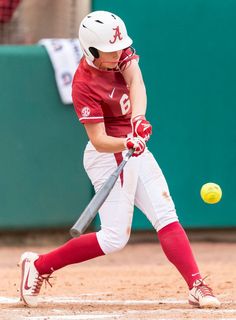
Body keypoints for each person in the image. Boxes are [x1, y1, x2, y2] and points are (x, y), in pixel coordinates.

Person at [19, 10, 220, 309]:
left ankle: (196, 285)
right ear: (92, 50)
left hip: (133, 146)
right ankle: (39, 265)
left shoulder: (118, 52)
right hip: (108, 154)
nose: (119, 53)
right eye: (111, 51)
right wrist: (126, 140)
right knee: (114, 239)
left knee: (166, 214)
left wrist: (137, 119)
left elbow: (135, 81)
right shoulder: (83, 84)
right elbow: (98, 140)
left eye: (119, 48)